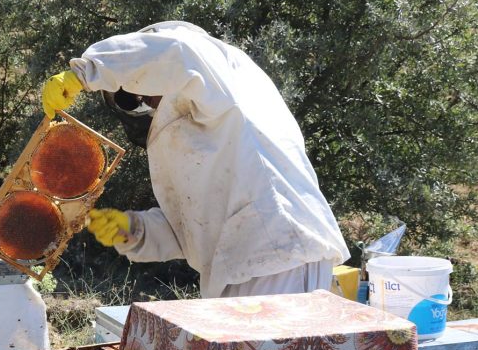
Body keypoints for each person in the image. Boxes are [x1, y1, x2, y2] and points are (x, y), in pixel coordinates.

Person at [42, 21, 349, 299]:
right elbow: (193, 226)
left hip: (279, 253)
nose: (143, 100)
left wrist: (86, 71)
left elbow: (179, 52)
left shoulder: (211, 63)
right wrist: (135, 231)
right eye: (133, 100)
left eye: (136, 90)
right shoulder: (211, 117)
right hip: (252, 263)